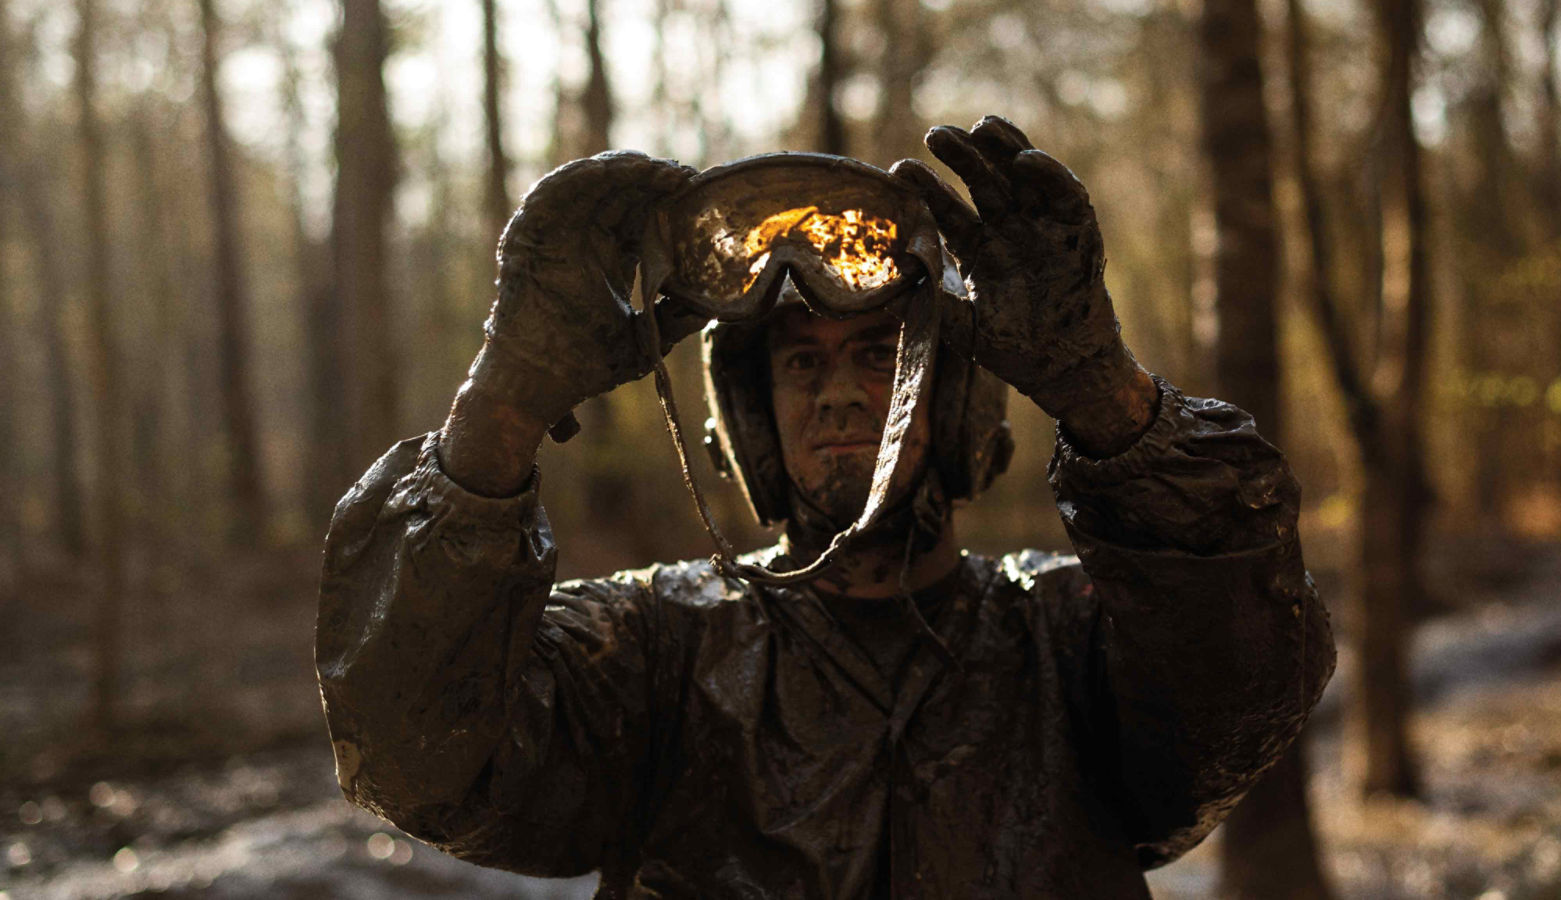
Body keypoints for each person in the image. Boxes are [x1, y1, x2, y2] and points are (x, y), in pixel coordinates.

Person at [316, 116, 1334, 898]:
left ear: (954, 393)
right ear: (750, 420)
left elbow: (1245, 685)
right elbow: (416, 761)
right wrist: (504, 401)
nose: (838, 393)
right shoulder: (653, 649)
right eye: (801, 362)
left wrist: (1101, 387)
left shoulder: (1068, 640)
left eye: (879, 354)